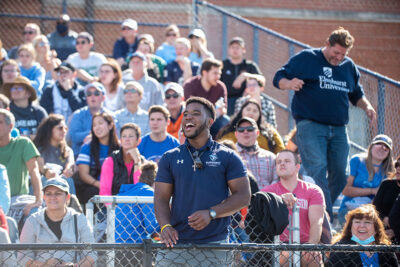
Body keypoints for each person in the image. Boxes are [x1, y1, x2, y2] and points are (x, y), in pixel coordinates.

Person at [273, 27, 377, 219]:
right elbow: (278, 77)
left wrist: (367, 106)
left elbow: (357, 94)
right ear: (327, 44)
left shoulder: (348, 66)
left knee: (341, 174)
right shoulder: (307, 58)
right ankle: (324, 218)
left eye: (343, 54)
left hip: (338, 128)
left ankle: (315, 207)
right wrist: (290, 83)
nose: (339, 58)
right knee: (318, 168)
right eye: (336, 52)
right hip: (310, 125)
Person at [154, 96, 250, 266]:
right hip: (175, 246)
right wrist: (165, 227)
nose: (188, 117)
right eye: (186, 114)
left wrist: (211, 213)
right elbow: (161, 198)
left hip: (216, 246)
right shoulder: (169, 157)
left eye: (196, 113)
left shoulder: (228, 157)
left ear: (210, 122)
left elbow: (243, 196)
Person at [262, 150, 325, 266]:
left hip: (305, 243)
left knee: (313, 256)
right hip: (277, 244)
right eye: (279, 162)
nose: (282, 164)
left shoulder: (313, 190)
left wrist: (311, 245)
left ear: (297, 167)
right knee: (286, 255)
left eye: (287, 161)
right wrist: (279, 200)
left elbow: (317, 222)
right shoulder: (267, 192)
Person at [19, 178, 96, 267]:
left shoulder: (80, 219)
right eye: (48, 194)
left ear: (67, 197)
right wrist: (44, 265)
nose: (52, 197)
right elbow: (23, 257)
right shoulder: (32, 221)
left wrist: (74, 266)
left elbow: (91, 255)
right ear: (44, 197)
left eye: (58, 193)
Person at [339, 135, 394, 224]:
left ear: (389, 153)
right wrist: (372, 191)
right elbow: (345, 190)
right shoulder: (356, 160)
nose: (382, 148)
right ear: (371, 146)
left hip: (373, 211)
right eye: (379, 144)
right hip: (349, 209)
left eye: (386, 147)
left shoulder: (391, 170)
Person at [0, 109, 42, 216]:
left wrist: (38, 200)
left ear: (10, 126)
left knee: (36, 212)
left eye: (0, 122)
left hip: (18, 200)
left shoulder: (23, 143)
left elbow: (34, 171)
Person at [327, 204, 397, 266]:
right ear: (350, 227)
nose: (362, 226)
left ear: (376, 228)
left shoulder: (386, 250)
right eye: (357, 222)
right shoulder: (339, 250)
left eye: (367, 222)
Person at [75, 112, 119, 205]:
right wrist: (99, 184)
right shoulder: (87, 147)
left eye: (100, 123)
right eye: (94, 125)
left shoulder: (120, 147)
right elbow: (83, 174)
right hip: (95, 187)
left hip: (115, 186)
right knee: (91, 193)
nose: (97, 127)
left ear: (110, 125)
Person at [217, 99, 284, 154]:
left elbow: (281, 151)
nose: (251, 113)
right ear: (241, 112)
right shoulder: (227, 131)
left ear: (259, 115)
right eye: (248, 109)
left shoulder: (270, 132)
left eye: (255, 111)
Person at [68, 81, 113, 157]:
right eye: (89, 94)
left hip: (106, 157)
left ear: (103, 97)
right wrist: (97, 133)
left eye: (96, 93)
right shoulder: (78, 115)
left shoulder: (111, 116)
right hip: (80, 156)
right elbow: (73, 137)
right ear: (86, 98)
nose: (92, 96)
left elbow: (116, 136)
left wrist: (93, 135)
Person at [33, 114, 76, 194]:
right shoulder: (38, 149)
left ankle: (71, 203)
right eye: (60, 128)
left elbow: (70, 163)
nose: (64, 131)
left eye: (65, 128)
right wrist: (47, 172)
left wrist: (68, 170)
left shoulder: (67, 150)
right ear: (49, 129)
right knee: (43, 179)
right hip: (42, 185)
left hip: (62, 184)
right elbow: (40, 166)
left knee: (68, 180)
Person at [220, 37, 262, 115]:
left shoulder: (250, 66)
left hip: (246, 100)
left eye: (238, 47)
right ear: (229, 50)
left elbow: (262, 80)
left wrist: (245, 75)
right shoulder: (223, 65)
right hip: (227, 101)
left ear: (243, 50)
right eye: (233, 47)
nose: (235, 50)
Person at [100, 123, 144, 196]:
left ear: (138, 141)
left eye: (131, 136)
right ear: (120, 140)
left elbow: (140, 189)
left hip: (136, 205)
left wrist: (137, 161)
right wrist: (111, 207)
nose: (127, 139)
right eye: (124, 136)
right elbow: (105, 191)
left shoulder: (142, 161)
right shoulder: (111, 160)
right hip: (115, 204)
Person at [235, 117, 277, 189]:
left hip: (266, 198)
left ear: (257, 133)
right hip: (241, 199)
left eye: (250, 129)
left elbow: (276, 181)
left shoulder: (271, 157)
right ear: (236, 134)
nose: (245, 132)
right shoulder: (230, 156)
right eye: (241, 130)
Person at [374, 155, 400, 243]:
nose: (398, 168)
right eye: (397, 164)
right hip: (382, 229)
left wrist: (395, 230)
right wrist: (384, 219)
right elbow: (374, 208)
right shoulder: (386, 184)